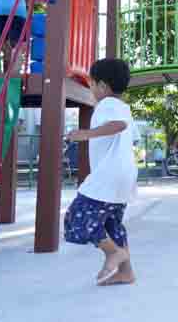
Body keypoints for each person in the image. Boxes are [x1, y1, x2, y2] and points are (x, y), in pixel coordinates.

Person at [65, 58, 139, 285]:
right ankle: (126, 271)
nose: (91, 89)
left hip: (108, 176)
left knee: (76, 219)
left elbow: (119, 126)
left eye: (92, 84)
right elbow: (132, 137)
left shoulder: (107, 105)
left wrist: (85, 134)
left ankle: (112, 252)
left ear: (103, 86)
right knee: (112, 224)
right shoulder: (124, 107)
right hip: (124, 177)